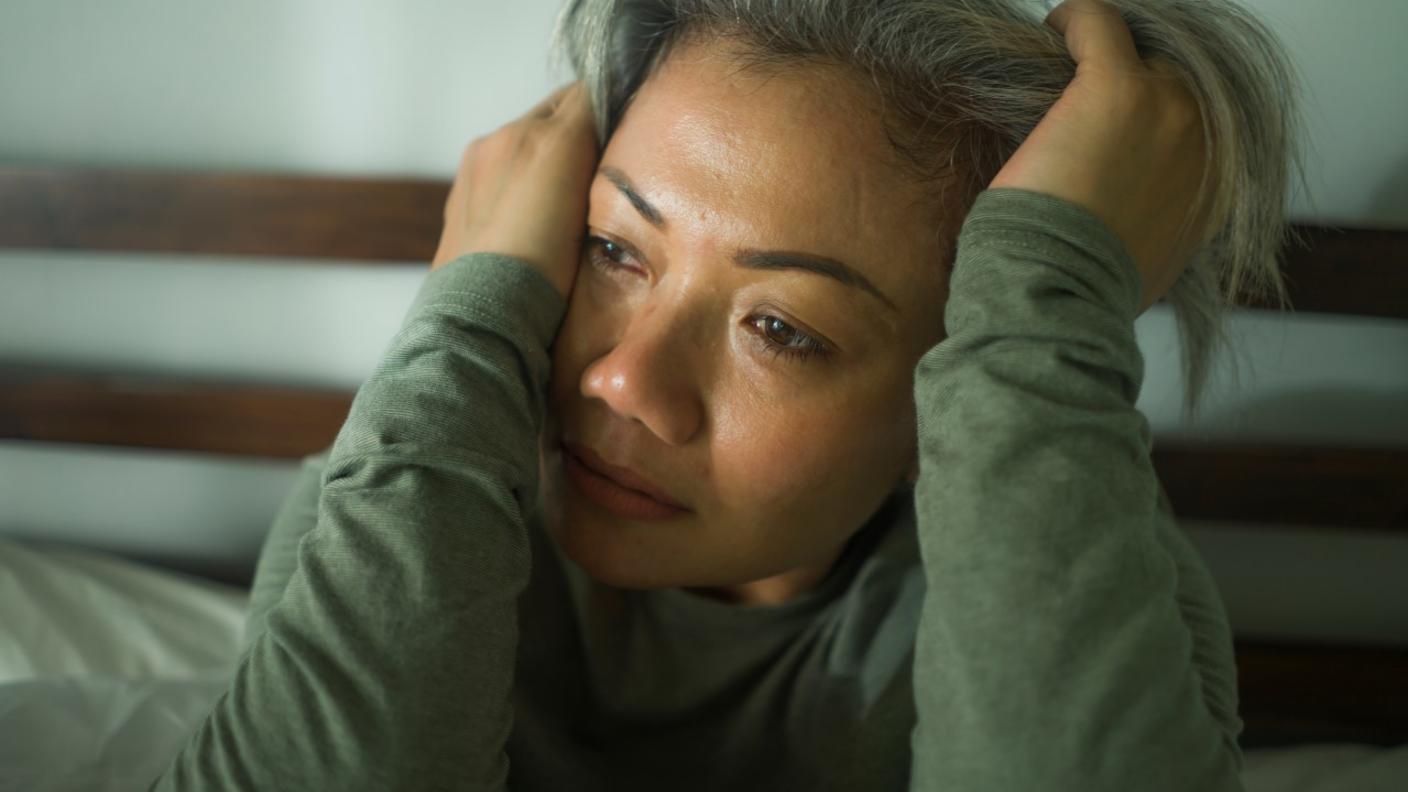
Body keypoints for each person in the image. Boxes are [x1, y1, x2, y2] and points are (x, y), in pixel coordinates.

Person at [151, 0, 1304, 789]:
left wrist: (1049, 303)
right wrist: (470, 302)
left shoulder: (1091, 587)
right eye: (612, 249)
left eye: (783, 328)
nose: (623, 379)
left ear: (966, 370)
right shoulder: (409, 505)